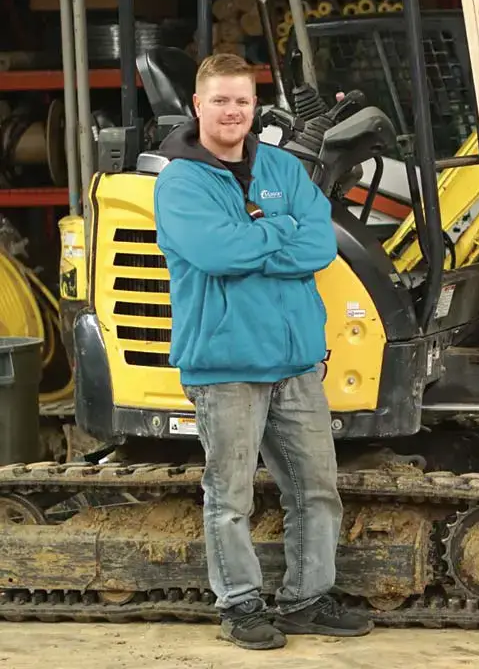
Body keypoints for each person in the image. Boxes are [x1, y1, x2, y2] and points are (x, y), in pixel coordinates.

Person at [153, 53, 373, 650]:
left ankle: (306, 598)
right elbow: (219, 253)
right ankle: (240, 605)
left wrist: (256, 236)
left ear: (255, 106)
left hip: (296, 361)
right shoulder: (179, 182)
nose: (232, 111)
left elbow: (319, 245)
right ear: (198, 105)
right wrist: (278, 232)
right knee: (230, 498)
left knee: (316, 490)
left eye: (243, 101)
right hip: (225, 366)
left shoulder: (280, 166)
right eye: (221, 100)